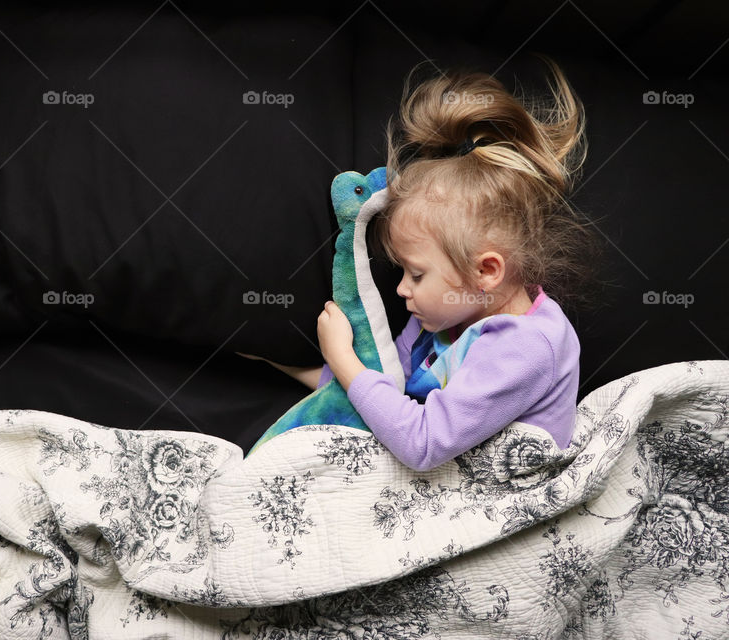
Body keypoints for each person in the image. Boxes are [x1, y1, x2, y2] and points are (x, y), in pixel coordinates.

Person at [239, 55, 604, 471]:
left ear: (485, 271)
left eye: (416, 274)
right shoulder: (443, 317)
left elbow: (422, 443)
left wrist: (342, 357)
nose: (402, 289)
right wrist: (285, 363)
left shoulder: (525, 347)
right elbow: (382, 386)